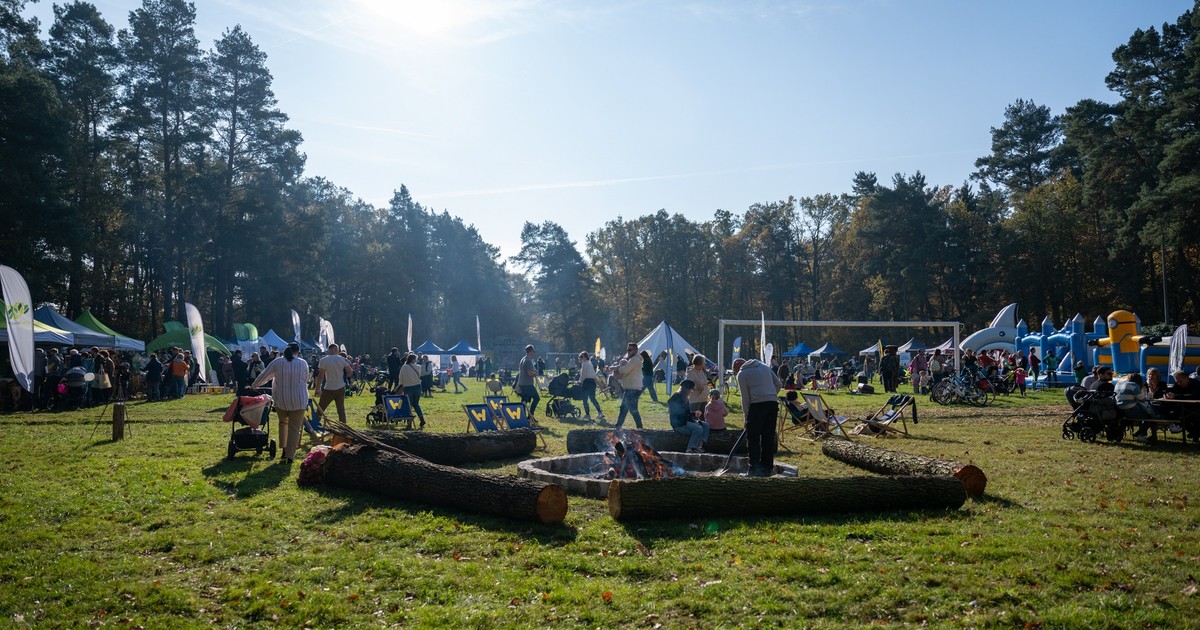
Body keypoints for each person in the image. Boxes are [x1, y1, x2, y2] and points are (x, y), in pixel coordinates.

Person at [250, 342, 309, 463]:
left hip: (281, 399)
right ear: (297, 351)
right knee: (294, 428)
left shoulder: (277, 362)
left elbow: (264, 375)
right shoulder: (303, 363)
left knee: (283, 424)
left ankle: (284, 450)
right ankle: (290, 456)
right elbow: (306, 379)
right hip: (299, 400)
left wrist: (254, 385)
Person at [735, 357, 782, 477]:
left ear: (737, 368)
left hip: (757, 405)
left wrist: (746, 418)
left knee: (753, 438)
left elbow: (745, 399)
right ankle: (767, 468)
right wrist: (769, 395)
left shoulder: (742, 374)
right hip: (772, 403)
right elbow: (778, 384)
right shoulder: (764, 367)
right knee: (768, 437)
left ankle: (753, 469)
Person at [315, 343, 353, 426]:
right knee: (340, 409)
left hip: (329, 388)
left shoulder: (324, 360)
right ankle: (343, 426)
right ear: (336, 350)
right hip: (340, 387)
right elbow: (350, 371)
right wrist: (345, 376)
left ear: (329, 350)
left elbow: (320, 376)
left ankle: (315, 424)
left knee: (320, 408)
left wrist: (317, 388)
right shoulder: (342, 359)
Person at [668, 380, 709, 453]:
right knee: (698, 429)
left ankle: (700, 446)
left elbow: (686, 413)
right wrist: (693, 420)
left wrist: (694, 414)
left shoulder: (685, 397)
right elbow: (680, 415)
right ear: (686, 389)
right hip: (679, 425)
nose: (691, 391)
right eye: (691, 389)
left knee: (705, 425)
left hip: (686, 422)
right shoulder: (676, 398)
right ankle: (690, 448)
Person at [613, 342, 645, 429]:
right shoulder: (633, 359)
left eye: (630, 350)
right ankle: (639, 427)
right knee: (630, 409)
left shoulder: (635, 360)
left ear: (636, 350)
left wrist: (616, 368)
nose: (628, 352)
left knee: (627, 408)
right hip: (631, 388)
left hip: (633, 388)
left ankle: (619, 426)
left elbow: (625, 369)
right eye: (628, 350)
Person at [399, 353, 426, 428]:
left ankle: (409, 422)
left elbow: (401, 378)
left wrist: (401, 385)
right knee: (416, 404)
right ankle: (421, 419)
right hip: (417, 387)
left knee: (409, 406)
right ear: (413, 360)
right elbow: (419, 375)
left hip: (408, 388)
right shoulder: (418, 367)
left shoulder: (404, 367)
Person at [577, 351, 604, 421]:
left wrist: (580, 382)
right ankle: (600, 413)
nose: (580, 358)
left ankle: (587, 415)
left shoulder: (584, 364)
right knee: (592, 399)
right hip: (592, 382)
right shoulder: (590, 363)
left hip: (587, 382)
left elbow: (583, 375)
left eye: (581, 357)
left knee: (585, 399)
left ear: (585, 357)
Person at [517, 345, 540, 421]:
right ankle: (531, 415)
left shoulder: (523, 359)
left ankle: (523, 417)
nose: (534, 353)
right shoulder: (528, 361)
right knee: (536, 398)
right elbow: (529, 373)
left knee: (524, 401)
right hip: (527, 384)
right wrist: (535, 373)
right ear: (530, 351)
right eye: (533, 351)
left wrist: (533, 372)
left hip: (522, 383)